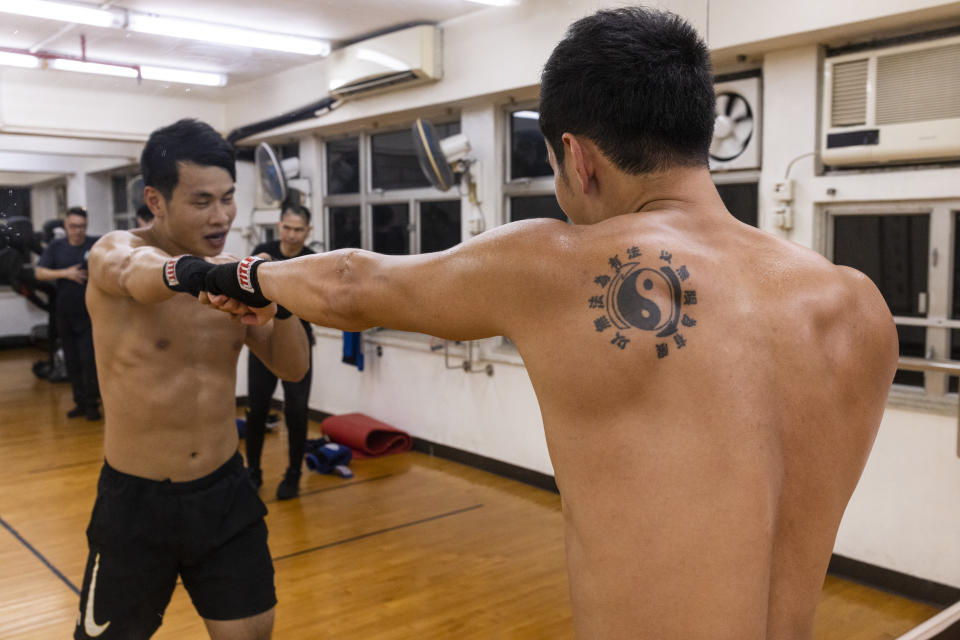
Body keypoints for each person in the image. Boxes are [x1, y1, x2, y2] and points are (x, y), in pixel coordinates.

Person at [202, 8, 897, 639]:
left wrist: (234, 275)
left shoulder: (563, 262)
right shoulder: (857, 305)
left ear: (579, 158)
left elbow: (354, 285)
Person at [78, 118, 309, 640]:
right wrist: (194, 274)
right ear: (155, 200)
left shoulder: (235, 271)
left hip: (224, 494)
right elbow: (135, 273)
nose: (221, 215)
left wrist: (283, 300)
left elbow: (293, 368)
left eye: (228, 198)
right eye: (201, 201)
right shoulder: (115, 250)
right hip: (135, 505)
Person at [245, 203, 315, 499]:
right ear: (279, 226)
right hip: (263, 341)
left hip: (297, 341)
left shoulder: (313, 260)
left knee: (297, 412)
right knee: (257, 409)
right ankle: (253, 472)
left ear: (308, 231)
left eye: (299, 229)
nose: (292, 235)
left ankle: (294, 474)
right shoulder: (264, 251)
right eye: (287, 227)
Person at [35, 206, 101, 420]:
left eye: (82, 226)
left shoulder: (95, 245)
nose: (78, 231)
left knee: (88, 361)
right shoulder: (57, 246)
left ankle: (92, 405)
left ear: (86, 226)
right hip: (64, 314)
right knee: (72, 361)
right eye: (73, 226)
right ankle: (80, 403)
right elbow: (39, 272)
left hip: (90, 315)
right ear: (66, 226)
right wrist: (66, 273)